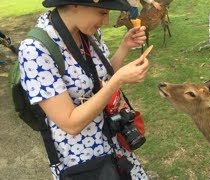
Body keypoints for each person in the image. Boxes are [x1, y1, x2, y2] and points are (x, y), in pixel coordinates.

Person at [18, 0, 149, 179]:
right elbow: (70, 124)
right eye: (102, 13)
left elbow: (101, 79)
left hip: (112, 140)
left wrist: (125, 47)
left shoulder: (89, 33)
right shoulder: (35, 49)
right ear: (75, 4)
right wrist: (118, 81)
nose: (106, 21)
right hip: (83, 159)